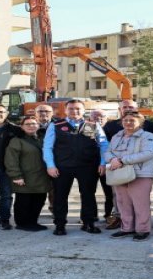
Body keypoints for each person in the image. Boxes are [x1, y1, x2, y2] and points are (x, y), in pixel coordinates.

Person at [44, 99, 109, 236]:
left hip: (88, 167)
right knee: (60, 196)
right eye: (71, 108)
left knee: (88, 196)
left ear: (84, 111)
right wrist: (50, 165)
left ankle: (88, 223)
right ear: (66, 110)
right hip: (62, 167)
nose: (75, 111)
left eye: (78, 108)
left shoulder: (92, 125)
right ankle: (60, 225)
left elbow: (104, 145)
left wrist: (103, 163)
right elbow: (47, 147)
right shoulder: (56, 125)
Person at [101, 99, 153, 229]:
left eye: (132, 121)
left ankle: (142, 230)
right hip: (119, 174)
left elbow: (149, 153)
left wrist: (122, 160)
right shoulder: (117, 136)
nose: (128, 123)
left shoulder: (147, 136)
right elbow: (108, 151)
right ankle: (126, 228)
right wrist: (112, 160)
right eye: (125, 120)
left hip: (141, 174)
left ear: (140, 123)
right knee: (123, 203)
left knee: (141, 204)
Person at [5, 116, 53, 231]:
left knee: (38, 201)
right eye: (27, 124)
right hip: (25, 177)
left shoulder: (43, 139)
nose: (31, 126)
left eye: (34, 123)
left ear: (38, 125)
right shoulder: (17, 140)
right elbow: (11, 159)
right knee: (23, 202)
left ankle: (33, 222)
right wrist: (16, 175)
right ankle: (22, 223)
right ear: (21, 127)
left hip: (42, 177)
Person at [88, 108, 115, 225]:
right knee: (89, 192)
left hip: (109, 165)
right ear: (90, 118)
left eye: (102, 116)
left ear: (107, 118)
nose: (98, 119)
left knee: (110, 192)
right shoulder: (86, 129)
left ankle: (109, 215)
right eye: (95, 117)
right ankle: (92, 215)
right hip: (90, 165)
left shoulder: (112, 129)